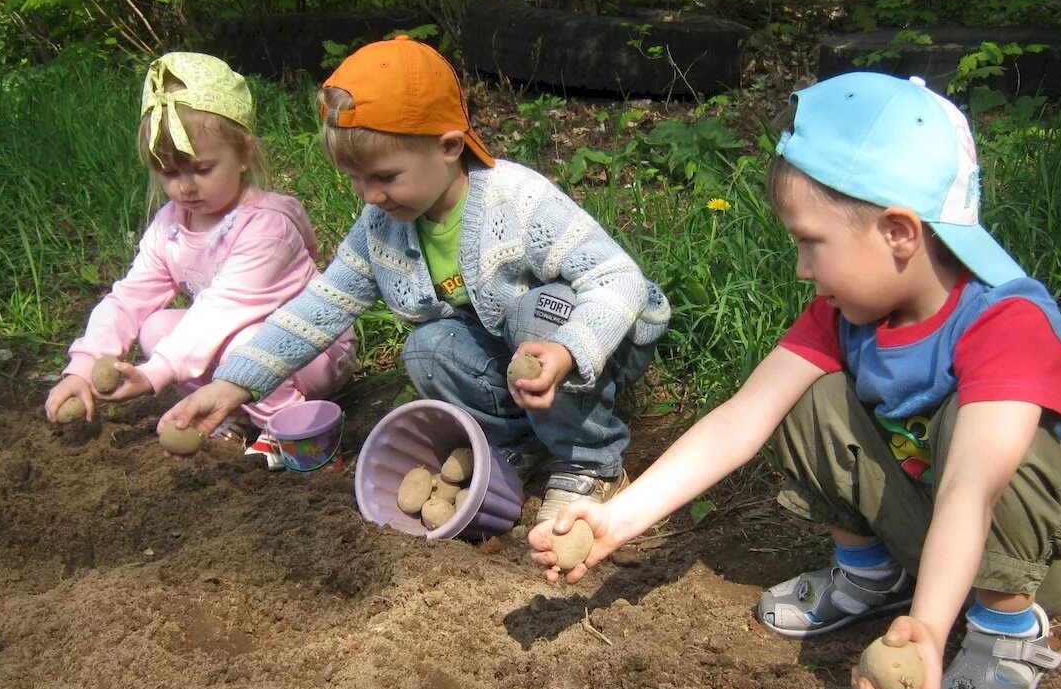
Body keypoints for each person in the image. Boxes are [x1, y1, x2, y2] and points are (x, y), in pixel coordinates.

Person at [529, 72, 1061, 689]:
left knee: (975, 431)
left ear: (898, 232)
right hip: (933, 518)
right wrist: (616, 520)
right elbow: (740, 419)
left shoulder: (1007, 324)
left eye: (810, 241)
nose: (803, 268)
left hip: (1047, 557)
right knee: (802, 396)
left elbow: (971, 485)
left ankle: (1003, 632)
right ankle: (875, 573)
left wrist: (930, 628)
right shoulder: (847, 317)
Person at [160, 37, 669, 519]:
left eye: (384, 177)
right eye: (355, 179)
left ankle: (590, 461)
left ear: (448, 147)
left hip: (599, 339)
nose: (369, 195)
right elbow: (320, 308)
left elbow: (619, 277)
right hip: (516, 353)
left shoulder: (518, 201)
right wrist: (233, 385)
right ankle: (522, 438)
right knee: (427, 346)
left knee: (536, 311)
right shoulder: (382, 228)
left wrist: (570, 350)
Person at [43, 52, 355, 468]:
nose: (186, 187)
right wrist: (82, 365)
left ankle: (294, 429)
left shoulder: (267, 227)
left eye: (202, 168)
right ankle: (231, 414)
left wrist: (156, 373)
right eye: (169, 173)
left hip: (309, 352)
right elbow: (131, 296)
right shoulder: (171, 225)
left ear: (243, 154)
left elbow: (219, 310)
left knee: (239, 343)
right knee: (157, 327)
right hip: (234, 346)